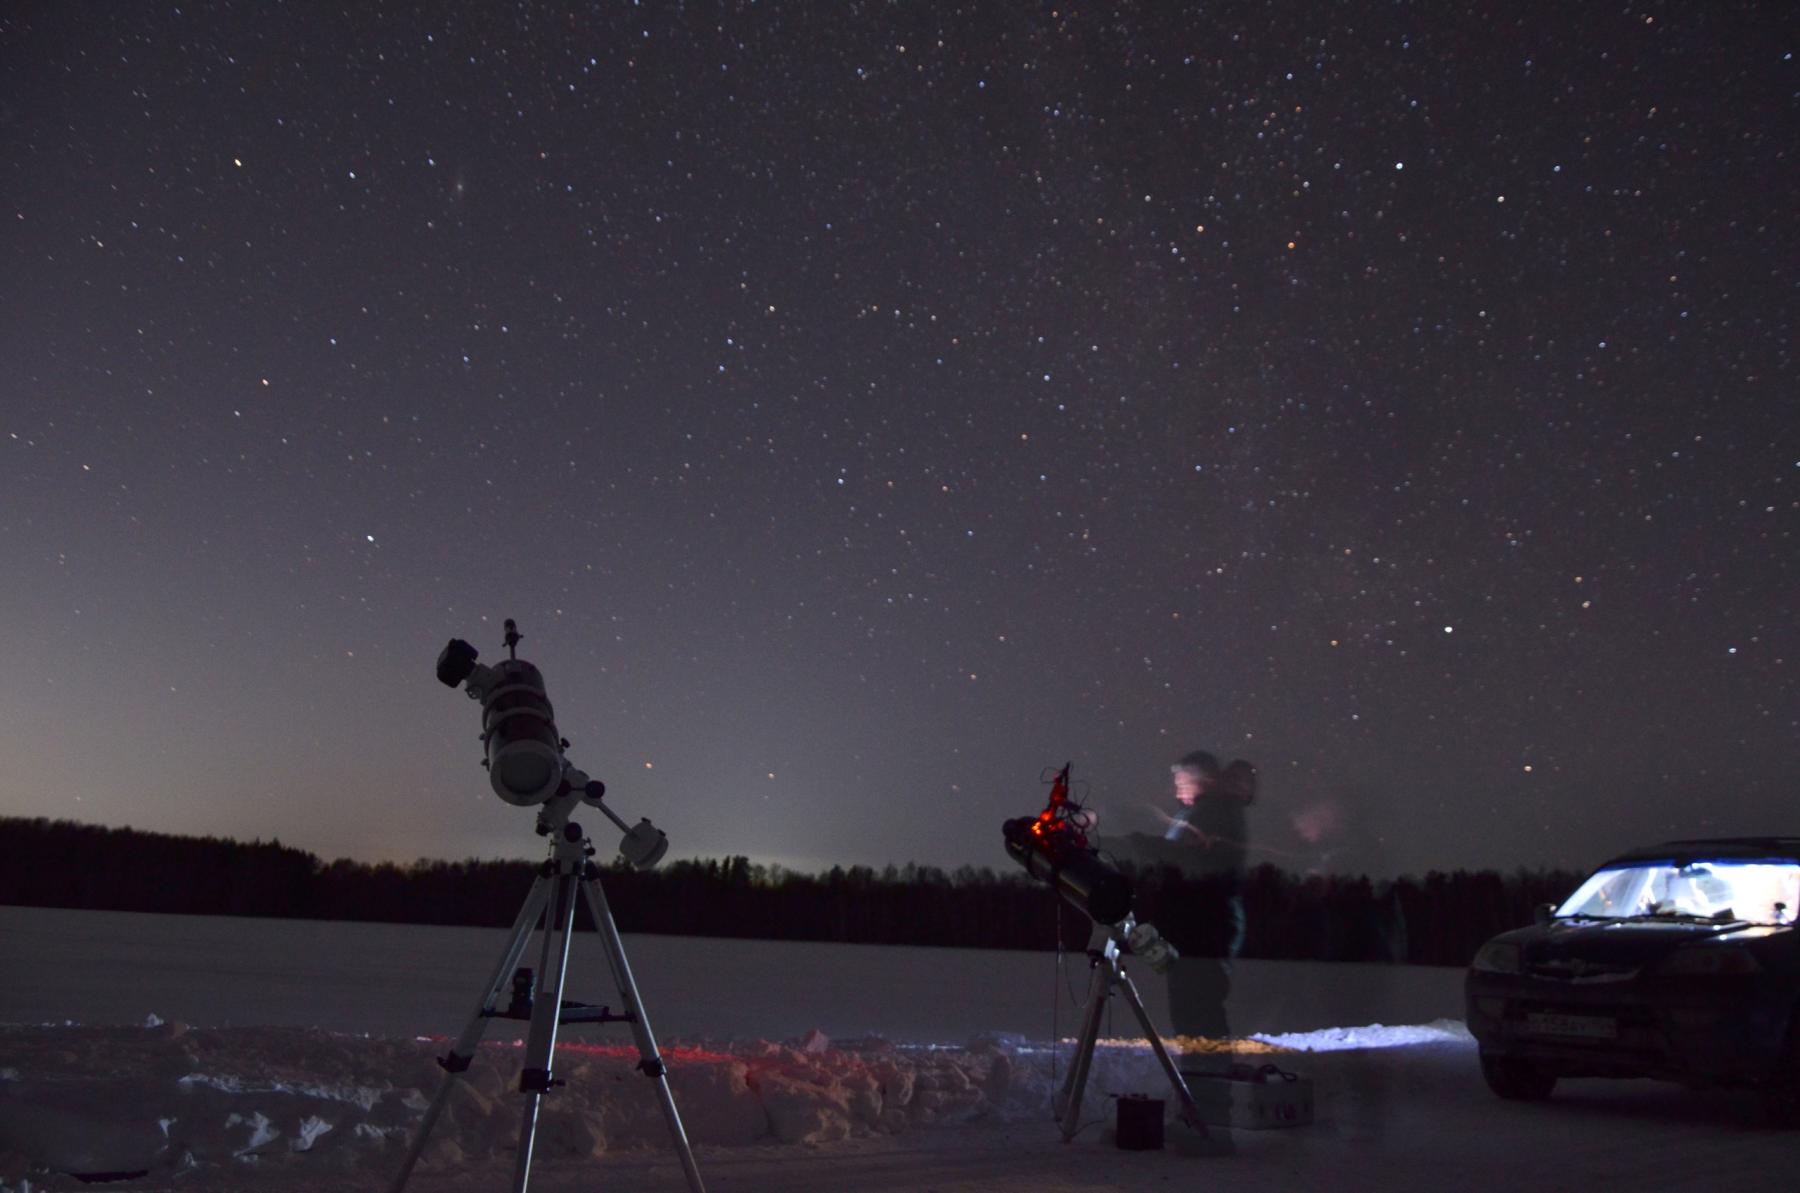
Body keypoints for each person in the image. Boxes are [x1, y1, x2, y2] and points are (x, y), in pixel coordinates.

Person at [1157, 750, 1256, 1040]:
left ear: (1203, 780)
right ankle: (1202, 1073)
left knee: (1199, 1011)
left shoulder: (1212, 814)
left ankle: (1208, 1076)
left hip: (1205, 930)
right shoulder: (1203, 812)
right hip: (1198, 929)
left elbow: (1184, 866)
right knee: (1194, 1010)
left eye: (1182, 782)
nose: (1177, 789)